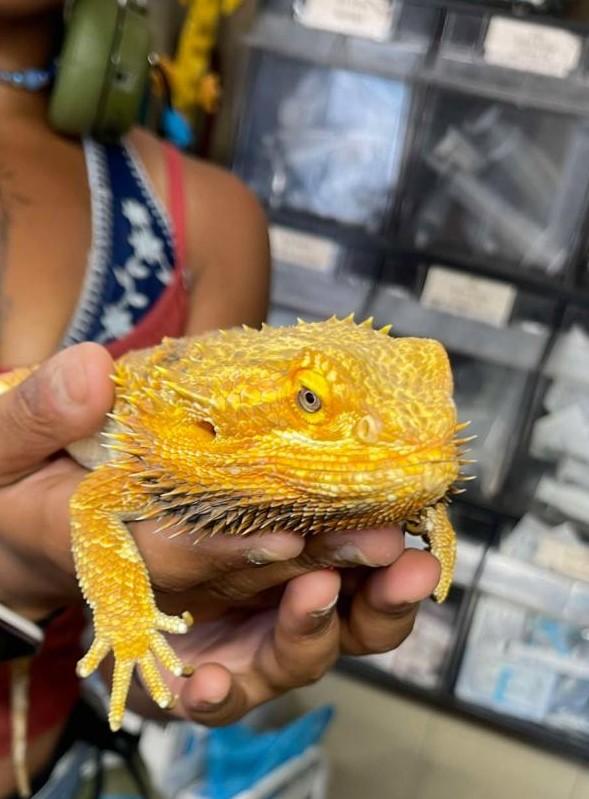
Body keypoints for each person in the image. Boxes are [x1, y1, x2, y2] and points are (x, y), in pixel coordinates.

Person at [0, 1, 441, 796]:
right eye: (311, 400)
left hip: (51, 752)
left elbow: (166, 607)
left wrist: (178, 644)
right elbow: (100, 505)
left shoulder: (208, 216)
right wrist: (22, 578)